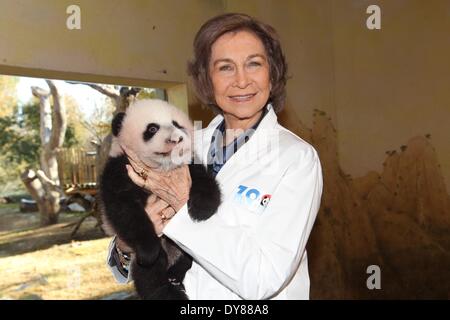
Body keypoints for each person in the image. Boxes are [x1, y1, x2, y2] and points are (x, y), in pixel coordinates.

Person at [107, 12, 323, 300]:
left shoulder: (297, 160)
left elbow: (263, 280)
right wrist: (126, 243)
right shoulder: (180, 144)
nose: (242, 81)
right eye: (225, 68)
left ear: (273, 73)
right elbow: (133, 219)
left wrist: (183, 204)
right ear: (207, 80)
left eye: (254, 64)